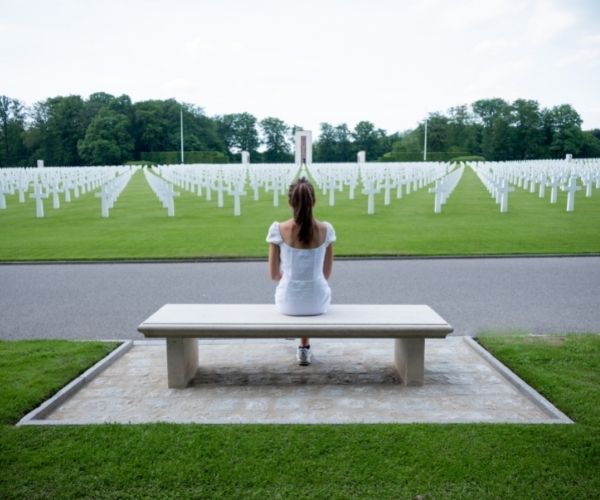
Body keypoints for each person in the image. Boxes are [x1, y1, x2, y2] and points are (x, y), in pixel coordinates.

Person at [266, 177, 336, 366]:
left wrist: (291, 278)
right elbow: (326, 274)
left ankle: (303, 347)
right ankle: (304, 347)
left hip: (288, 303)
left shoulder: (278, 229)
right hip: (317, 303)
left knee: (295, 292)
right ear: (314, 201)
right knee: (312, 290)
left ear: (290, 202)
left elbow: (273, 275)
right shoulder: (326, 230)